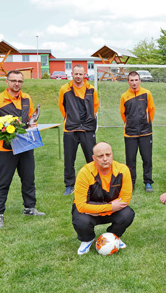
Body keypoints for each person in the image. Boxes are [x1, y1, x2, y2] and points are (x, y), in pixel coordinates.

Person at [0, 70, 46, 228]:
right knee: (2, 182)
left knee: (28, 178)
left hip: (26, 146)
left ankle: (29, 208)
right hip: (7, 149)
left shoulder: (27, 98)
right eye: (13, 80)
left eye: (20, 81)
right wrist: (1, 135)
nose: (16, 83)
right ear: (7, 82)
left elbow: (32, 117)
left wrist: (33, 125)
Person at [72, 142, 134, 255]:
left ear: (112, 155)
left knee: (127, 214)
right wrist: (111, 207)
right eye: (100, 156)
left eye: (108, 154)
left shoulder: (123, 170)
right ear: (94, 158)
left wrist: (94, 209)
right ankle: (87, 239)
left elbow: (124, 200)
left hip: (96, 210)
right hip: (93, 213)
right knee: (81, 220)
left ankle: (113, 236)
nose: (105, 159)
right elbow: (81, 206)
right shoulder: (85, 172)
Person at [59, 64, 99, 195]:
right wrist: (70, 118)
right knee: (69, 158)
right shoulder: (64, 89)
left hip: (87, 129)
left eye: (80, 74)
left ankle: (94, 183)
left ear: (84, 74)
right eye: (76, 74)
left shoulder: (91, 89)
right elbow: (61, 106)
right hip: (70, 129)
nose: (78, 76)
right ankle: (69, 185)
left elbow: (95, 106)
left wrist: (88, 120)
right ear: (72, 73)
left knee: (92, 158)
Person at [120, 71, 155, 193]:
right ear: (128, 82)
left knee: (147, 159)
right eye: (132, 80)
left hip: (146, 133)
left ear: (139, 81)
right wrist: (130, 124)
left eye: (136, 80)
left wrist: (146, 123)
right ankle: (131, 183)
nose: (134, 83)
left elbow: (151, 110)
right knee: (130, 160)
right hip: (130, 133)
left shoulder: (146, 93)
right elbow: (123, 114)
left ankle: (148, 182)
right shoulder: (124, 96)